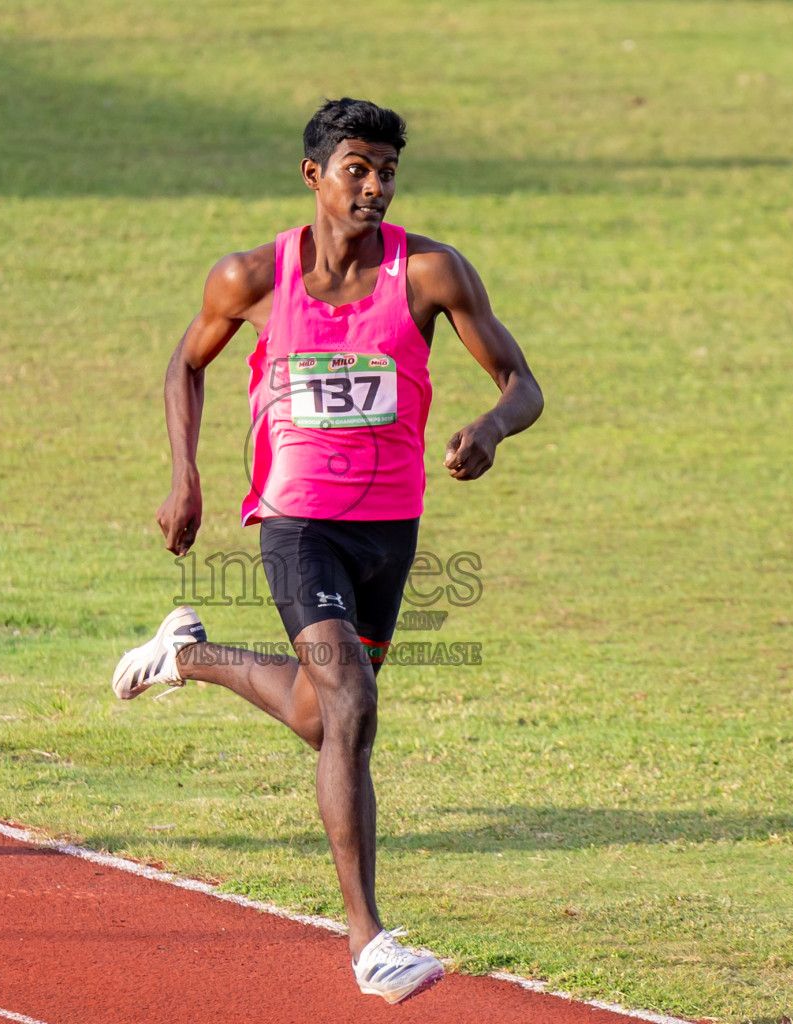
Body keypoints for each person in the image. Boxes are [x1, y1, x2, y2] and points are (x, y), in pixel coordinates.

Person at [111, 97, 543, 1005]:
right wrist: (184, 477)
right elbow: (186, 365)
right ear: (315, 175)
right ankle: (370, 941)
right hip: (296, 524)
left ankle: (184, 654)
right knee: (350, 703)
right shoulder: (252, 278)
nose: (375, 186)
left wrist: (494, 428)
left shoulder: (429, 273)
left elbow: (522, 382)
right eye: (358, 168)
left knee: (319, 715)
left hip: (389, 533)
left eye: (387, 170)